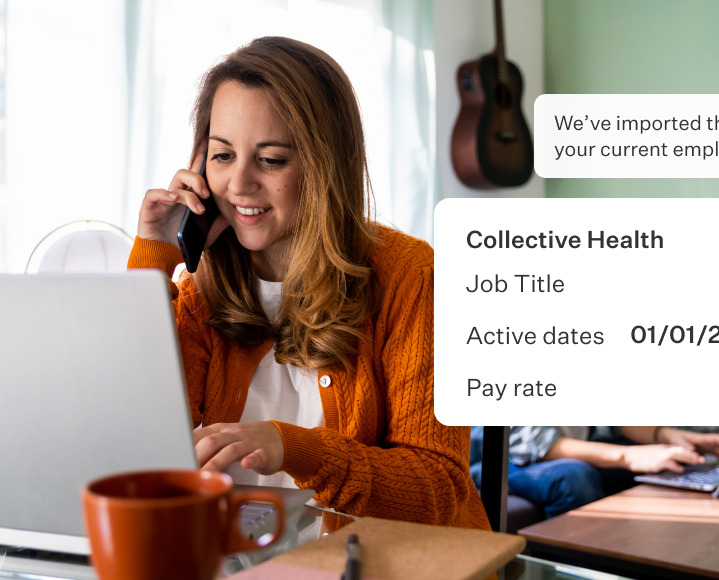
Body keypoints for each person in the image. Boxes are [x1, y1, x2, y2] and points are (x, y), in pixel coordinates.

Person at [129, 36, 488, 530]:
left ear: (325, 164)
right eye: (222, 155)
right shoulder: (199, 292)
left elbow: (435, 490)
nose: (239, 184)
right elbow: (126, 444)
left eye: (271, 159)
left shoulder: (413, 276)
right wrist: (156, 252)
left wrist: (291, 448)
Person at [470, 426, 719, 519]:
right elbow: (534, 442)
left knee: (669, 461)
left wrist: (666, 435)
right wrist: (629, 456)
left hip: (560, 450)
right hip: (501, 459)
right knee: (573, 477)